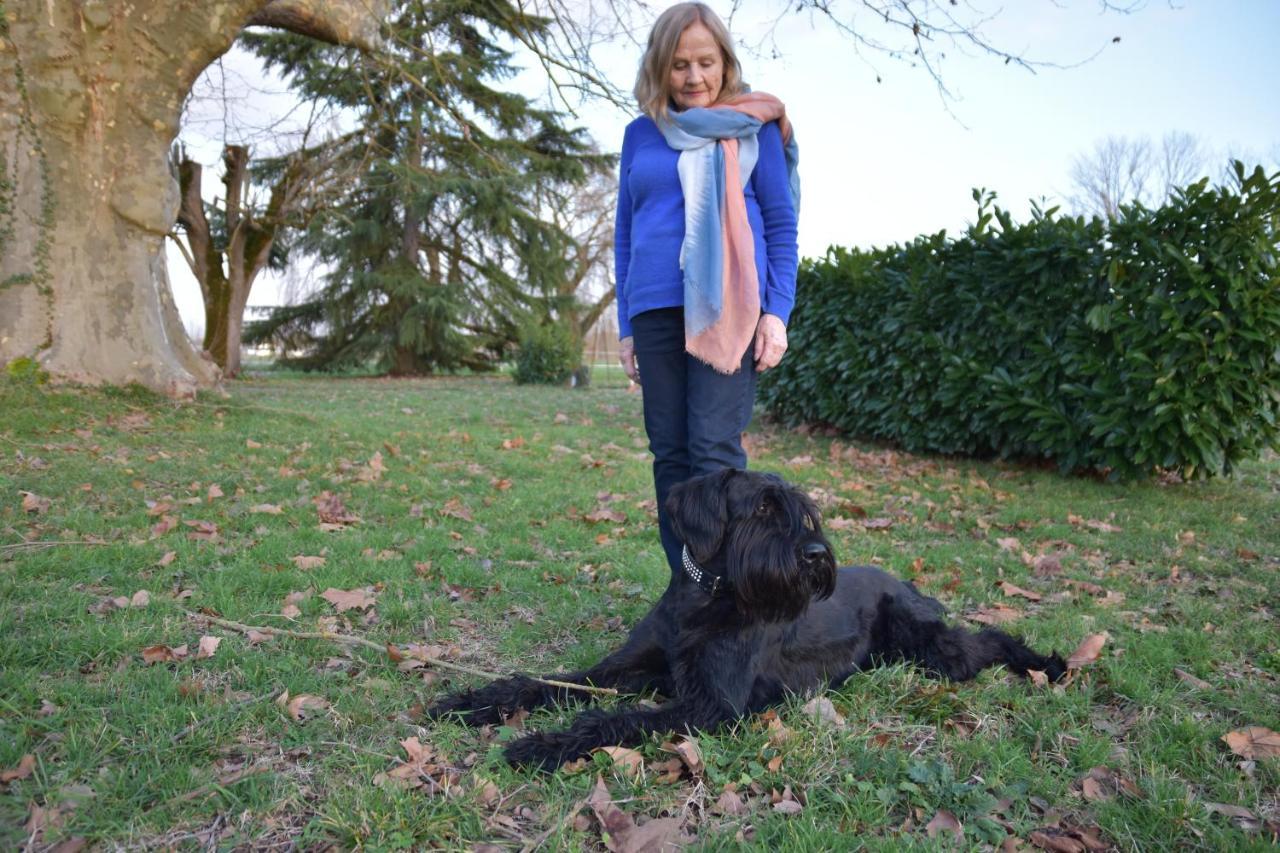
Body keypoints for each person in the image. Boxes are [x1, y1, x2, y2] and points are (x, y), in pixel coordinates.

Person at [614, 2, 800, 587]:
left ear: (725, 62)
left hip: (729, 307)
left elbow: (781, 224)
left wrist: (778, 312)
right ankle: (689, 587)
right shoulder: (640, 134)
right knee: (669, 454)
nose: (694, 78)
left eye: (705, 62)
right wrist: (625, 325)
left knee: (714, 454)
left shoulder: (754, 127)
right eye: (679, 65)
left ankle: (730, 593)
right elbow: (625, 232)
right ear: (659, 69)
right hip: (653, 307)